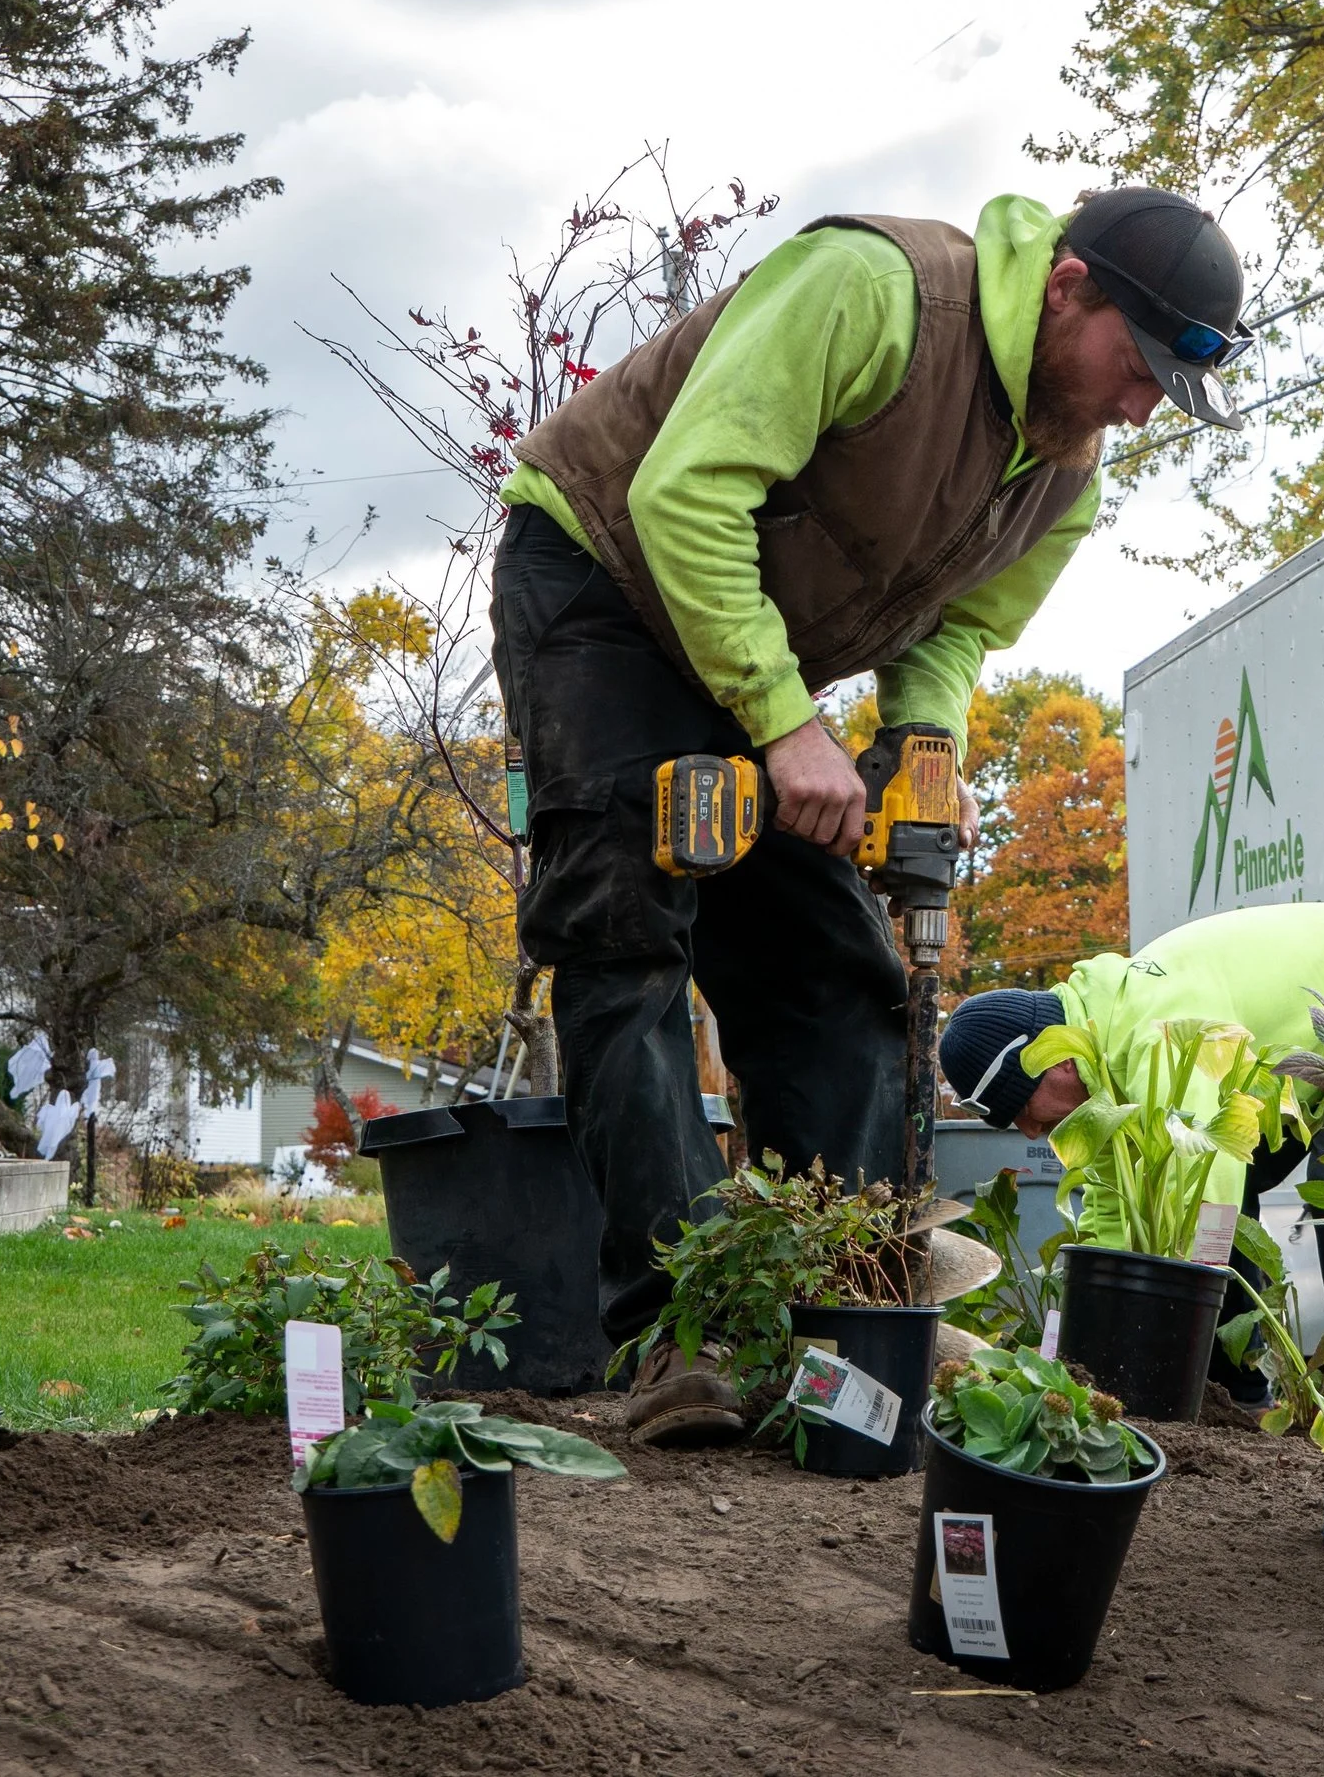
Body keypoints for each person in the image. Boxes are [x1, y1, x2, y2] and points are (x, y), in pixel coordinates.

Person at [491, 187, 1253, 1444]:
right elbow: (685, 493)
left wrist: (919, 745)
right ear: (1069, 284)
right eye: (1136, 367)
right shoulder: (876, 291)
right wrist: (789, 726)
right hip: (604, 578)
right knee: (625, 938)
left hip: (747, 640)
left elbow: (957, 630)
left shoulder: (1062, 477)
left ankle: (849, 1311)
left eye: (1163, 391)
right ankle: (686, 1327)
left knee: (841, 980)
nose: (1137, 408)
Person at [937, 902, 1324, 1384]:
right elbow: (1112, 1211)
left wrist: (1172, 1318)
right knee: (1234, 1200)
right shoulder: (1103, 1073)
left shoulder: (1155, 1033)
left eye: (1023, 1111)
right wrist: (1087, 1330)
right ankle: (1237, 1393)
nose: (1032, 1132)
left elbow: (1207, 1185)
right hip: (1315, 1048)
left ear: (1056, 1060)